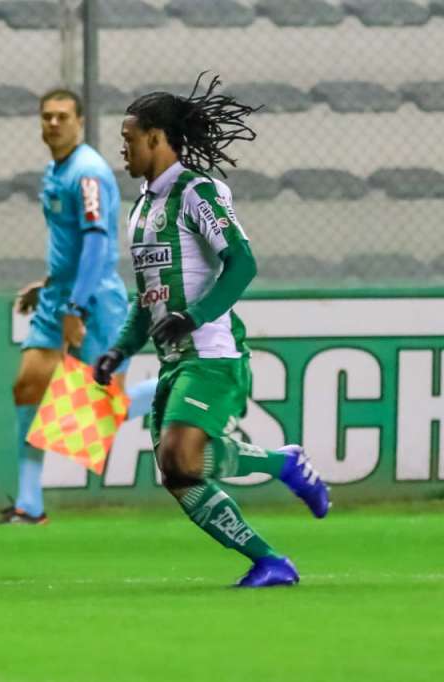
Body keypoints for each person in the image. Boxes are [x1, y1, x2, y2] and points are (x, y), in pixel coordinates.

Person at [93, 74, 330, 587]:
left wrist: (195, 316)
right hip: (173, 361)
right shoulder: (142, 207)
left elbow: (241, 264)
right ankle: (271, 562)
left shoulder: (197, 191)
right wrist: (119, 350)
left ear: (157, 138)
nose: (124, 149)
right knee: (179, 475)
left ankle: (281, 463)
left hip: (212, 353)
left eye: (130, 139)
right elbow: (148, 296)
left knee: (181, 454)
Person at [5, 89, 158, 525]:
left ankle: (182, 387)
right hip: (59, 296)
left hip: (92, 301)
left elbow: (97, 243)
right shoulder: (57, 170)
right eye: (46, 117)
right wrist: (50, 284)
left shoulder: (87, 173)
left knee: (107, 404)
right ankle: (29, 505)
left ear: (80, 122)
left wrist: (75, 304)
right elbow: (71, 243)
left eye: (62, 117)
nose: (53, 124)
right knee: (29, 387)